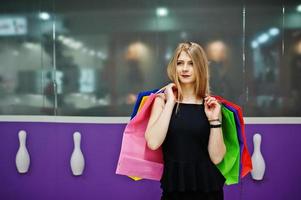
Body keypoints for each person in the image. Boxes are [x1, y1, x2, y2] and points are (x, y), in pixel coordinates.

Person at [145, 42, 226, 200]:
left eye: (191, 64)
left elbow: (217, 158)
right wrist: (170, 102)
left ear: (200, 68)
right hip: (174, 188)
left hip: (209, 189)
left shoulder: (211, 105)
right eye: (180, 63)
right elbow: (153, 143)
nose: (184, 69)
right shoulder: (161, 101)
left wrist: (214, 119)